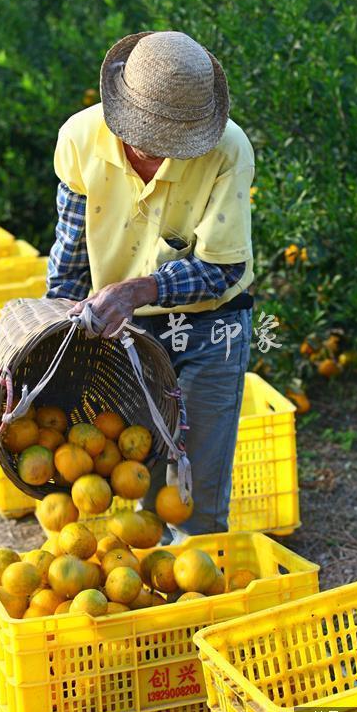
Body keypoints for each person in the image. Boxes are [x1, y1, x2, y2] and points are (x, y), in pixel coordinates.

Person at [46, 30, 254, 536]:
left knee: (195, 492)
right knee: (137, 473)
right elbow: (71, 253)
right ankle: (151, 590)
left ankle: (200, 594)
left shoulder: (228, 149)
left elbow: (222, 268)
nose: (153, 151)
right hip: (126, 328)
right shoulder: (80, 139)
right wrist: (54, 333)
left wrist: (138, 289)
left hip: (210, 325)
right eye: (144, 133)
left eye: (169, 143)